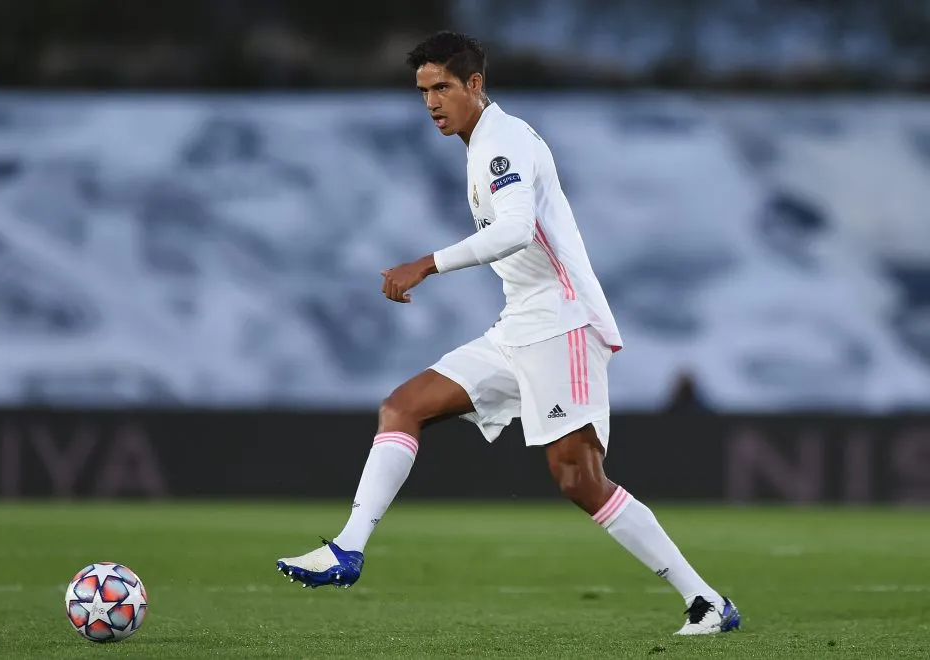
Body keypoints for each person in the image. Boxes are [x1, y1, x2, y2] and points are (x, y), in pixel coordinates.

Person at [276, 31, 740, 636]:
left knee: (578, 479)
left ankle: (705, 601)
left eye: (443, 87)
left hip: (562, 323)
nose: (433, 103)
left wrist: (427, 263)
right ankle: (347, 549)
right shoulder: (482, 145)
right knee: (403, 407)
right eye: (423, 92)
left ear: (476, 85)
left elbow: (517, 229)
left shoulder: (502, 142)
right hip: (520, 322)